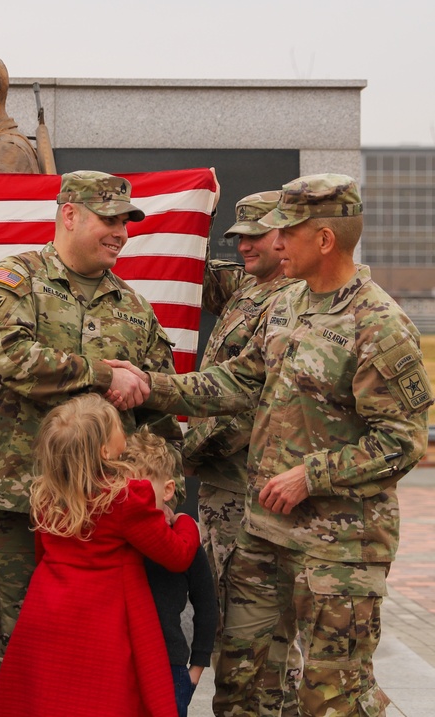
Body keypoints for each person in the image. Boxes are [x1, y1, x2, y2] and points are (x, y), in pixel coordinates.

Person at [108, 174, 433, 716]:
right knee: (241, 681)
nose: (274, 242)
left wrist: (313, 475)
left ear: (324, 239)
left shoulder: (379, 324)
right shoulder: (285, 307)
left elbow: (403, 441)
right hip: (263, 534)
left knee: (332, 697)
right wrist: (149, 383)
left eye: (286, 231)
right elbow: (236, 381)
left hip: (339, 550)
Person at [0, 170, 185, 716]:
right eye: (109, 219)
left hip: (108, 523)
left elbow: (159, 408)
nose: (120, 232)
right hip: (24, 504)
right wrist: (100, 375)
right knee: (9, 648)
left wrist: (165, 486)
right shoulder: (17, 278)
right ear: (69, 214)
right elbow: (5, 356)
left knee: (97, 666)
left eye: (126, 222)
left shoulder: (135, 308)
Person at [0, 394, 199, 717]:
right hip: (106, 624)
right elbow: (178, 555)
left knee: (47, 700)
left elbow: (42, 552)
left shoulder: (46, 493)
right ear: (105, 450)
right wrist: (185, 523)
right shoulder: (126, 500)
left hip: (47, 613)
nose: (122, 427)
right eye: (116, 424)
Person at [185, 190, 301, 714]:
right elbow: (198, 269)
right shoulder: (252, 286)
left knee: (261, 631)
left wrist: (192, 446)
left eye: (257, 235)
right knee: (233, 619)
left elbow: (258, 397)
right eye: (240, 236)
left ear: (287, 236)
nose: (245, 246)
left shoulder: (292, 301)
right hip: (224, 487)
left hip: (250, 488)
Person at [125, 427, 217, 717]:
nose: (131, 497)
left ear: (167, 490)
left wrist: (196, 669)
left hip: (170, 667)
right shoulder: (117, 539)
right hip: (121, 665)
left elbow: (206, 605)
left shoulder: (183, 542)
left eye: (140, 487)